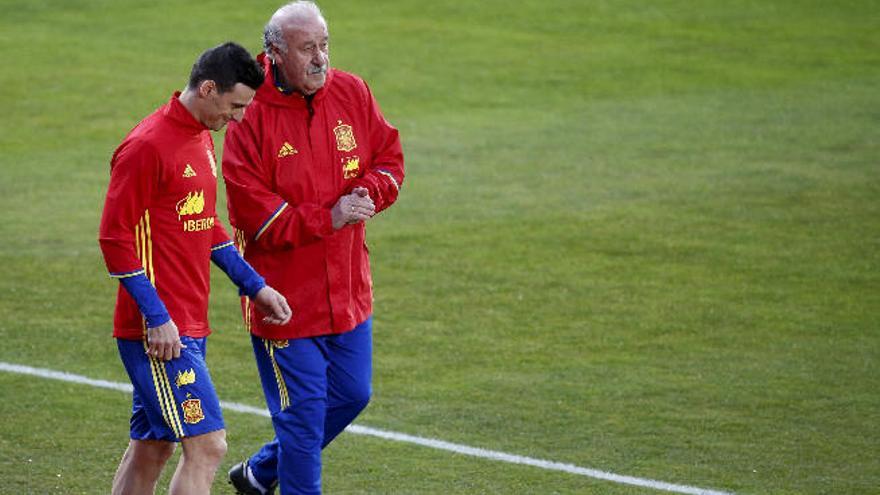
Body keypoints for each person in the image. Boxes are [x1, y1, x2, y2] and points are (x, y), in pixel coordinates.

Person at [221, 2, 405, 493]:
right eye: (308, 49)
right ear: (275, 54)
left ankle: (260, 473)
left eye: (325, 45)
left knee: (351, 393)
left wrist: (371, 192)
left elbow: (389, 158)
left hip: (348, 292)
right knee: (302, 423)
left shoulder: (352, 91)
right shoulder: (247, 114)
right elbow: (253, 217)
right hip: (282, 301)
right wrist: (329, 217)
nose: (321, 58)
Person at [98, 42, 293, 495]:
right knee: (208, 446)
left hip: (186, 322)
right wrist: (156, 316)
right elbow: (114, 238)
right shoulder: (146, 147)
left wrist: (254, 286)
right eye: (235, 106)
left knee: (153, 447)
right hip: (161, 334)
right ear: (208, 89)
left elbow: (204, 222)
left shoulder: (201, 136)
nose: (239, 118)